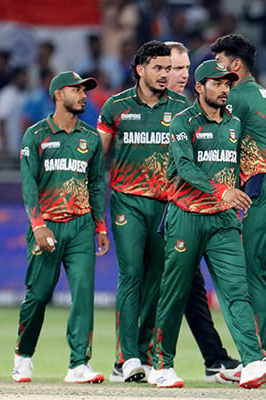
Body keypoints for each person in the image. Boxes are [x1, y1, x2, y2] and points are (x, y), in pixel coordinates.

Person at [147, 60, 266, 389]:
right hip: (186, 216)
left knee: (237, 292)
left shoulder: (236, 124)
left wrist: (248, 190)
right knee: (175, 292)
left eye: (228, 84)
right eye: (217, 83)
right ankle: (161, 364)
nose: (225, 89)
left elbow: (248, 161)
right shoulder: (183, 123)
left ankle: (253, 361)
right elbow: (184, 166)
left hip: (224, 222)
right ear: (199, 88)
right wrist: (222, 190)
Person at [97, 40, 190, 383]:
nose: (166, 75)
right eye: (159, 68)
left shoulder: (182, 107)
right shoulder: (116, 106)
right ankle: (127, 357)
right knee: (132, 275)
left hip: (168, 205)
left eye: (170, 69)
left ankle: (145, 353)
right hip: (128, 201)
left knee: (156, 283)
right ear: (140, 70)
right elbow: (96, 159)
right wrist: (95, 211)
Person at [12, 71, 109, 384]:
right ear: (57, 94)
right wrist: (37, 225)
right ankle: (23, 355)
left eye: (85, 90)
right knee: (38, 295)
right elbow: (28, 183)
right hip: (47, 227)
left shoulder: (91, 138)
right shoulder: (36, 135)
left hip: (81, 227)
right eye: (76, 90)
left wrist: (100, 226)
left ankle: (79, 364)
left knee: (83, 293)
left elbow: (95, 184)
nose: (83, 95)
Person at [210, 34, 266, 357]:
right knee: (263, 278)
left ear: (235, 66)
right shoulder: (262, 92)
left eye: (219, 67)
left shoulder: (237, 97)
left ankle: (258, 357)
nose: (214, 77)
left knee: (249, 275)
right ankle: (265, 356)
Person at [164, 40, 242, 383]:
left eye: (183, 67)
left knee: (189, 291)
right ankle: (139, 360)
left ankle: (214, 359)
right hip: (163, 208)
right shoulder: (172, 115)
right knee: (157, 286)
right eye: (172, 68)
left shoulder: (214, 114)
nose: (178, 74)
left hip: (204, 208)